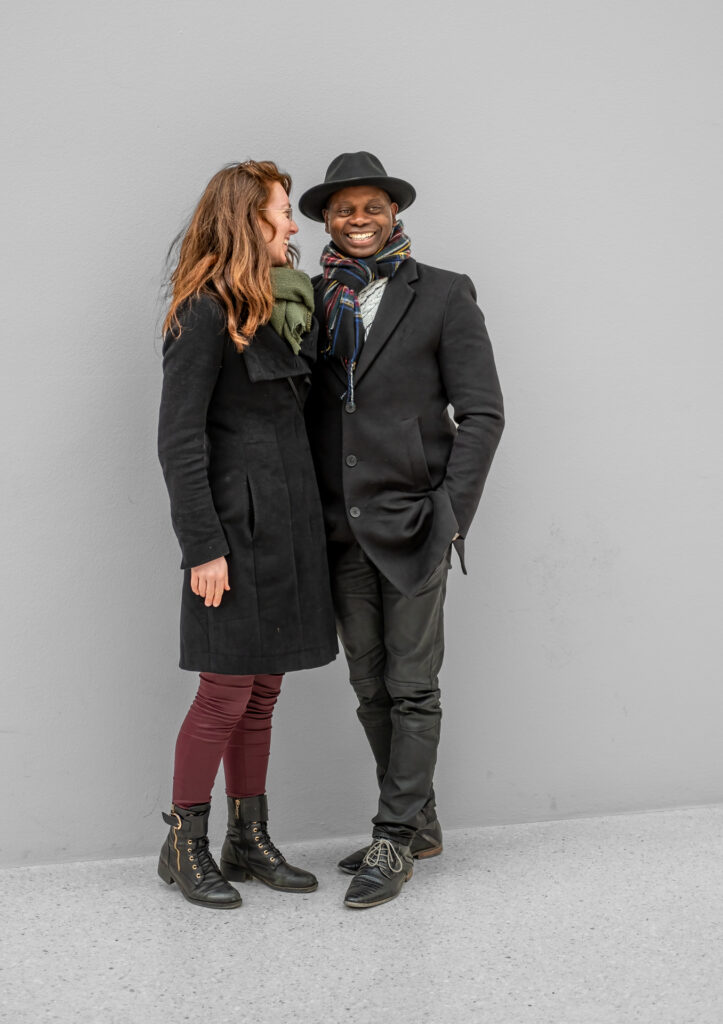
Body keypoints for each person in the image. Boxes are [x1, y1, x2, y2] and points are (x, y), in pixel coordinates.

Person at [301, 152, 505, 909]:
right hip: (338, 524)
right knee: (368, 685)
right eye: (344, 209)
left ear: (394, 214)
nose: (359, 220)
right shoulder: (309, 299)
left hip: (417, 520)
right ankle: (419, 823)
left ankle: (393, 835)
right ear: (327, 220)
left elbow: (482, 412)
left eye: (372, 207)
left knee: (412, 686)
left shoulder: (444, 293)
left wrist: (451, 512)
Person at [156, 160, 337, 909]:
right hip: (231, 535)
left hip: (289, 527)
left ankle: (247, 837)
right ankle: (184, 843)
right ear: (246, 220)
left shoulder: (281, 305)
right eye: (281, 212)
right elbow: (179, 440)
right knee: (224, 692)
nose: (293, 224)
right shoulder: (202, 312)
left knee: (262, 693)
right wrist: (202, 545)